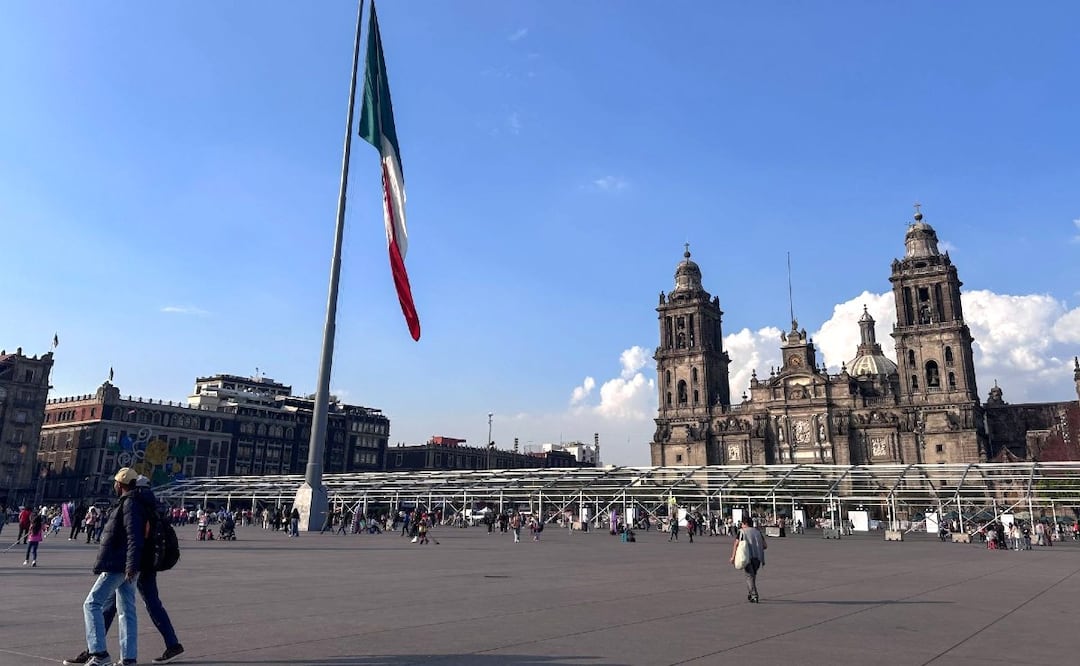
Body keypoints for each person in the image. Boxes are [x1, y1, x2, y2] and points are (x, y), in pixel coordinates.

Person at [64, 468, 147, 666]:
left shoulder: (129, 504)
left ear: (119, 484)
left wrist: (130, 565)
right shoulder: (134, 503)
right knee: (127, 610)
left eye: (115, 483)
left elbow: (134, 537)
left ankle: (99, 654)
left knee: (91, 604)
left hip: (119, 564)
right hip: (128, 564)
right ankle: (128, 657)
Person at [730, 514, 767, 603]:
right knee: (752, 576)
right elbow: (765, 546)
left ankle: (754, 595)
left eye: (742, 523)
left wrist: (733, 557)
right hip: (758, 557)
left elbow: (736, 544)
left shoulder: (742, 532)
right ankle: (751, 594)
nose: (741, 525)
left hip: (747, 557)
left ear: (745, 523)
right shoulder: (758, 532)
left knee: (749, 576)